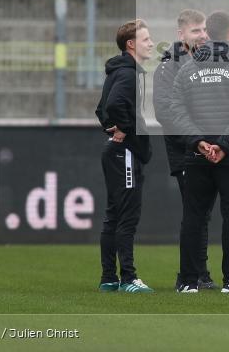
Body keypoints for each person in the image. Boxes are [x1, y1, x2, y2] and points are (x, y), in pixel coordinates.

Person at [169, 11, 229, 294]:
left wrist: (199, 142)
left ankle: (187, 281)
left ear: (208, 33)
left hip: (196, 156)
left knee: (193, 217)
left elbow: (176, 110)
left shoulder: (187, 69)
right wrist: (224, 145)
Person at [152, 9, 217, 291]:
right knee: (195, 213)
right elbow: (164, 111)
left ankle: (199, 273)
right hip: (186, 150)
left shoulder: (208, 62)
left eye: (204, 30)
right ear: (181, 35)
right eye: (196, 31)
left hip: (206, 149)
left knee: (202, 214)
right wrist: (196, 138)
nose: (202, 35)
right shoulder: (169, 67)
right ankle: (189, 275)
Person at [94, 19, 155, 294]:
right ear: (131, 44)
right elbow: (114, 105)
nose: (151, 43)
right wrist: (125, 130)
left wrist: (112, 127)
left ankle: (109, 278)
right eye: (146, 39)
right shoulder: (128, 73)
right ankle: (128, 278)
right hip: (126, 152)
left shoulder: (117, 72)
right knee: (127, 217)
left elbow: (100, 109)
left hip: (117, 151)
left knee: (113, 216)